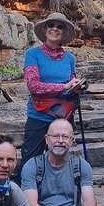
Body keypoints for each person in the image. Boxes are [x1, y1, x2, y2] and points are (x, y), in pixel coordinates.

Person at [19, 12, 84, 175]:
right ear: (45, 29)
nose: (55, 29)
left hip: (63, 115)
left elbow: (71, 82)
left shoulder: (70, 58)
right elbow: (33, 86)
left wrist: (76, 87)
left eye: (59, 26)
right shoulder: (33, 54)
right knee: (30, 158)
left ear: (63, 32)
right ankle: (26, 196)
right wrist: (63, 87)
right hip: (38, 115)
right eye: (51, 25)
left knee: (60, 159)